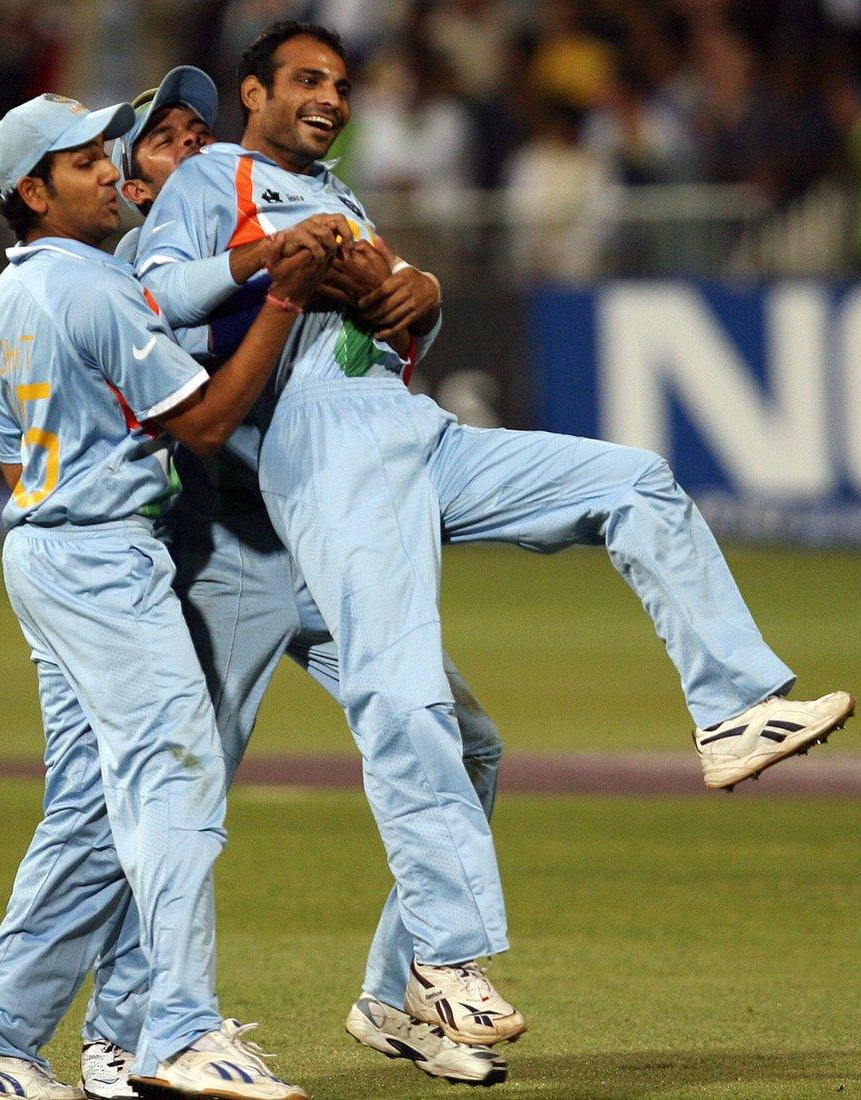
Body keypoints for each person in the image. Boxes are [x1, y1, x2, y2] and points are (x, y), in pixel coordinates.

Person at [136, 6, 856, 867]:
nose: (331, 98)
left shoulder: (338, 193)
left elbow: (388, 319)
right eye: (307, 80)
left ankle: (736, 709)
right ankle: (396, 968)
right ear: (252, 94)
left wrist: (422, 297)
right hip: (307, 460)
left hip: (407, 428)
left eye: (341, 86)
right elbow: (164, 295)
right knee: (340, 721)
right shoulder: (214, 178)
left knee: (635, 481)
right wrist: (269, 260)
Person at [76, 66, 510, 1097]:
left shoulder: (260, 224)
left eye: (196, 129)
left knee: (467, 738)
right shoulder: (144, 270)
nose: (189, 149)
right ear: (130, 180)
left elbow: (376, 316)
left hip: (329, 530)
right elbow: (207, 401)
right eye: (160, 141)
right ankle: (120, 1029)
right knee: (188, 784)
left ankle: (399, 990)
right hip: (226, 545)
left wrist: (421, 290)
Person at [0, 91, 333, 1100]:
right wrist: (282, 298)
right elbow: (205, 422)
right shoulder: (89, 289)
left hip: (50, 550)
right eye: (82, 159)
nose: (110, 168)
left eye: (105, 149)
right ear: (32, 190)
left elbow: (30, 439)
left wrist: (248, 268)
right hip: (101, 559)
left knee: (93, 813)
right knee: (178, 770)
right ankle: (176, 1028)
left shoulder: (18, 290)